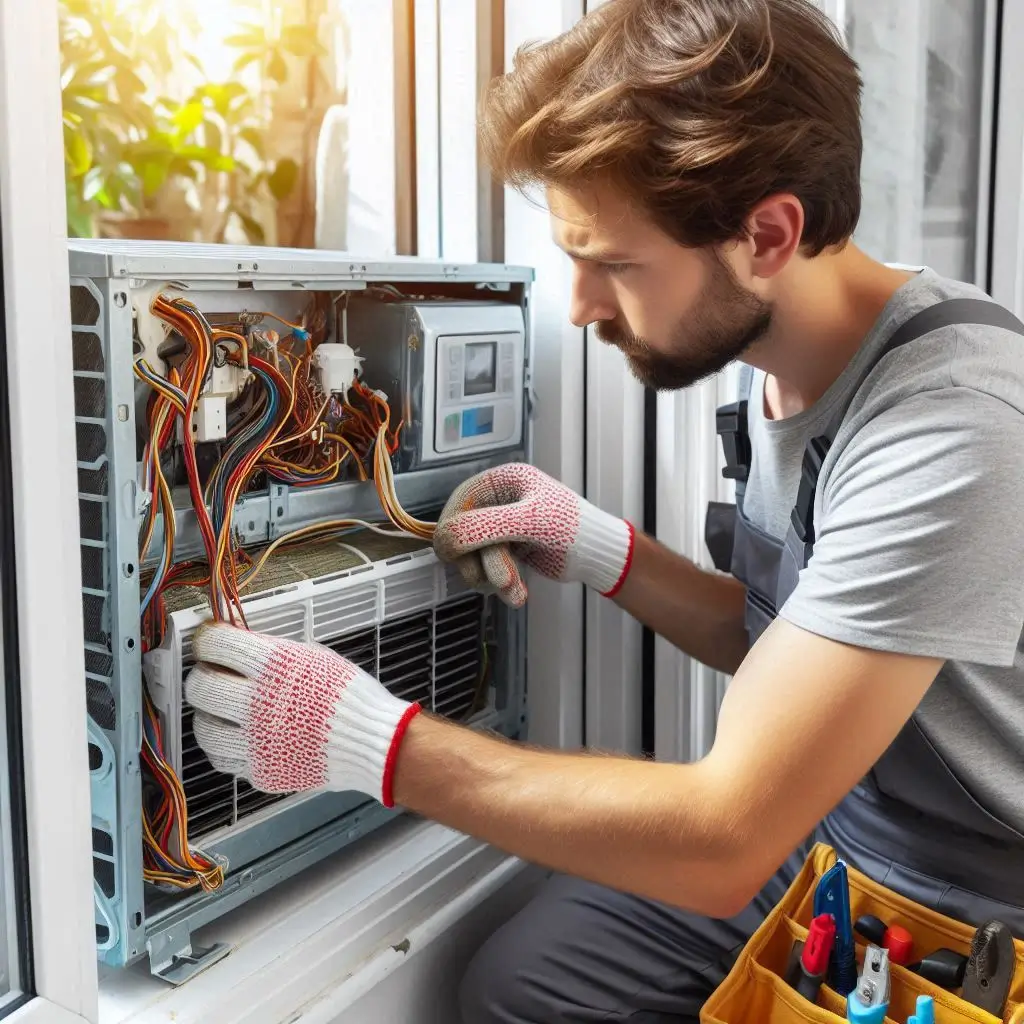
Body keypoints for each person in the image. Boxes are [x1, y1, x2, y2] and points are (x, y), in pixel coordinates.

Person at [183, 0, 1024, 1020]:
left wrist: (370, 741)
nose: (577, 305)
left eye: (614, 264)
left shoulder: (952, 427)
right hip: (834, 825)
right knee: (522, 985)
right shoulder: (779, 367)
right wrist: (602, 548)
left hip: (976, 900)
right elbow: (793, 640)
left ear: (768, 233)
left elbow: (721, 839)